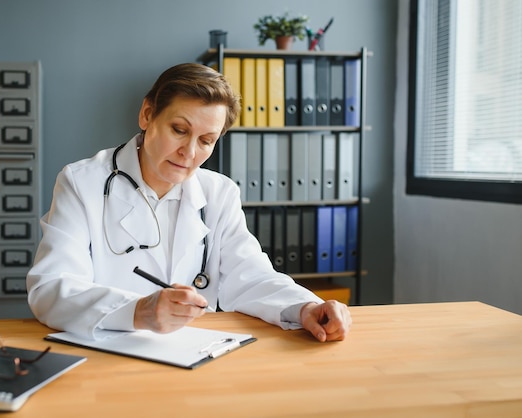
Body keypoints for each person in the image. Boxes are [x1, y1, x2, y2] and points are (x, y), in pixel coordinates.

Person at [26, 63, 351, 343]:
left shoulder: (218, 193)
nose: (190, 152)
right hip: (104, 354)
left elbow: (251, 277)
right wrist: (138, 311)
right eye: (179, 130)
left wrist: (306, 307)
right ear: (147, 114)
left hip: (191, 354)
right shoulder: (82, 183)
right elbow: (52, 288)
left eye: (206, 141)